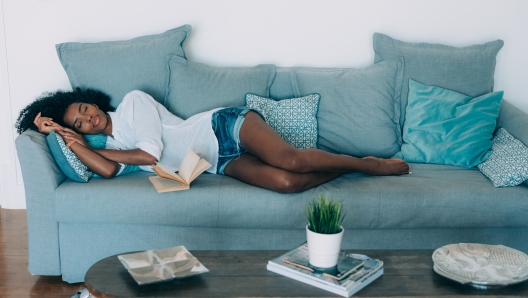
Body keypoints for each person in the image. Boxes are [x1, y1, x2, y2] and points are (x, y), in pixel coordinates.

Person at [16, 88, 411, 193]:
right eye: (80, 123)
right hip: (219, 160)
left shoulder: (133, 103)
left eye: (84, 108)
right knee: (287, 184)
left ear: (93, 100)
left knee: (291, 161)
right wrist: (67, 141)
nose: (88, 117)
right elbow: (106, 171)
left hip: (224, 126)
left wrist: (79, 141)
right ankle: (347, 171)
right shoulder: (112, 143)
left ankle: (368, 164)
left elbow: (149, 155)